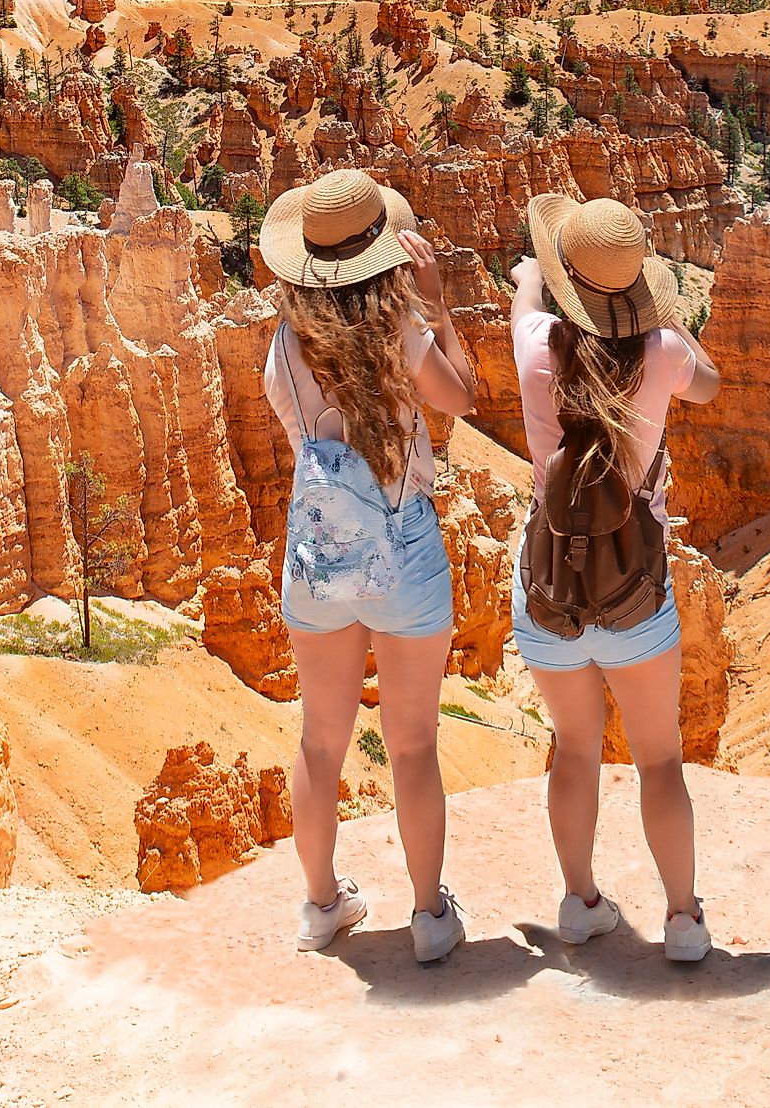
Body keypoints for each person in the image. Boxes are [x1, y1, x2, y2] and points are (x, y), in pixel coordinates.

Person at [259, 167, 480, 960]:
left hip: (318, 554)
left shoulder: (285, 345)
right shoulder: (402, 332)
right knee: (413, 743)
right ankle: (429, 919)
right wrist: (439, 306)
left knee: (322, 742)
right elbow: (460, 398)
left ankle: (321, 906)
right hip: (405, 548)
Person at [509, 193, 722, 962]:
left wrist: (538, 272)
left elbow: (526, 293)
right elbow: (711, 383)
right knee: (658, 758)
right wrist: (667, 317)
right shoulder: (663, 353)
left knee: (574, 749)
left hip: (550, 587)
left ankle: (579, 903)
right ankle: (684, 922)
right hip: (637, 587)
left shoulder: (534, 342)